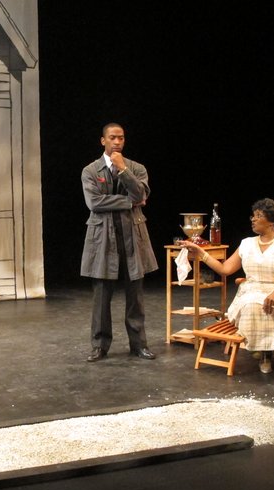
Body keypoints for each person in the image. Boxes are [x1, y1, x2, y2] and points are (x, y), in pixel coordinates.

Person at [180, 198, 274, 374]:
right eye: (253, 216)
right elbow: (225, 269)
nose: (253, 219)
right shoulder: (247, 243)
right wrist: (201, 253)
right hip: (253, 291)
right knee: (251, 306)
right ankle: (264, 353)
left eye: (258, 216)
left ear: (272, 222)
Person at [80, 122, 159, 362]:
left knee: (136, 296)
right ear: (103, 140)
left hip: (132, 236)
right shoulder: (90, 171)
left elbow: (141, 194)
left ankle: (138, 344)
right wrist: (128, 202)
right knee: (101, 297)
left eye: (121, 138)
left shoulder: (136, 168)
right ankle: (99, 345)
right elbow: (94, 203)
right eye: (113, 137)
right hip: (103, 238)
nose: (117, 142)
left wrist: (123, 170)